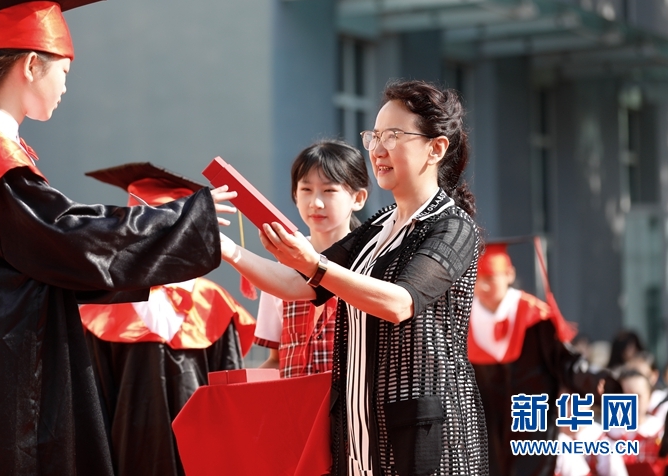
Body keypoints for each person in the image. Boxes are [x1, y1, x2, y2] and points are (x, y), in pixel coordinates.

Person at [0, 0, 235, 475]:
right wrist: (185, 217)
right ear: (32, 65)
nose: (65, 86)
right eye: (64, 71)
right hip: (12, 399)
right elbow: (73, 238)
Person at [223, 80, 488, 475]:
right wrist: (226, 248)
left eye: (394, 136)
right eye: (375, 136)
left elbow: (400, 302)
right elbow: (300, 284)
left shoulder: (453, 227)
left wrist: (316, 265)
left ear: (435, 149)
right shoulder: (379, 226)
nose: (378, 150)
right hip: (359, 429)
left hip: (425, 434)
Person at [78, 162, 256, 476]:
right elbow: (91, 407)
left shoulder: (213, 302)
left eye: (169, 227)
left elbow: (230, 401)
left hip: (201, 457)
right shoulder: (102, 306)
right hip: (126, 459)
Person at [468, 243, 620, 476]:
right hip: (483, 428)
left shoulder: (535, 317)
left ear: (510, 274)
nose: (483, 285)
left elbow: (566, 362)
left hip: (529, 422)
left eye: (490, 276)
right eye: (477, 278)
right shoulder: (462, 320)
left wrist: (593, 381)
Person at [254, 140, 369, 378]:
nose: (315, 203)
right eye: (306, 190)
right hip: (297, 409)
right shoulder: (281, 264)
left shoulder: (372, 260)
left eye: (329, 190)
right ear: (295, 194)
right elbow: (277, 360)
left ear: (358, 198)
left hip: (356, 406)